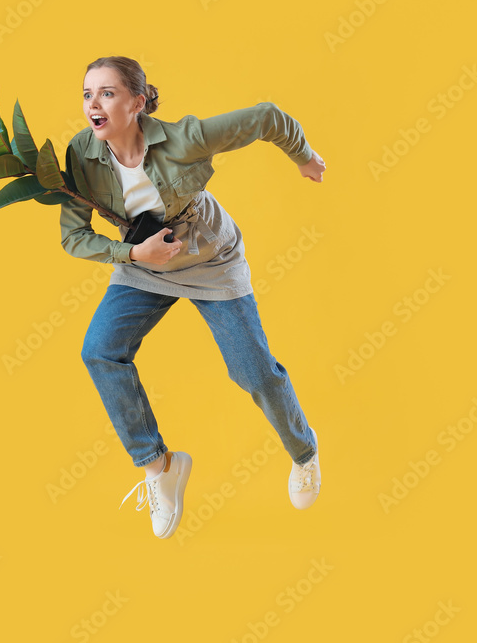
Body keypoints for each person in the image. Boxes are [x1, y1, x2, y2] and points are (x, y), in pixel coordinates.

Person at [60, 55, 327, 540]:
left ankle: (304, 453)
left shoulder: (182, 140)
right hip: (144, 261)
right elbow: (73, 236)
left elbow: (267, 116)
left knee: (252, 371)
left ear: (137, 103)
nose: (92, 105)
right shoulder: (81, 154)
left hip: (208, 258)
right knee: (99, 350)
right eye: (86, 94)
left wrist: (304, 156)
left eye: (107, 93)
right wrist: (132, 252)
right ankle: (159, 466)